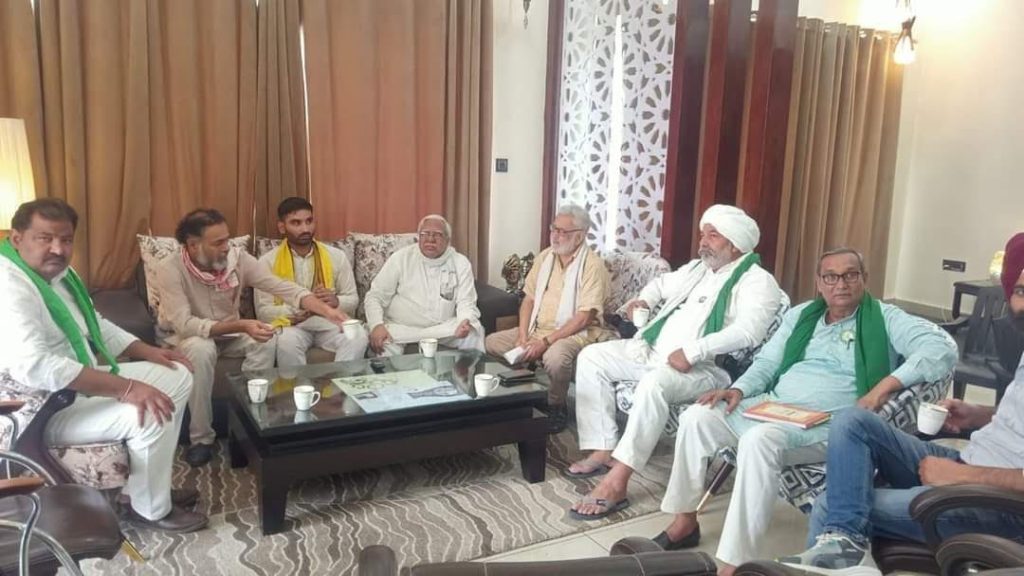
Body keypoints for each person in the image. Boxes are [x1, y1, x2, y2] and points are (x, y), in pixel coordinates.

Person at [648, 248, 958, 576]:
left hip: (829, 423)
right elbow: (768, 363)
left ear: (864, 279)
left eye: (850, 275)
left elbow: (941, 350)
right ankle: (684, 521)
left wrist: (882, 388)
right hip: (773, 406)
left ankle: (734, 562)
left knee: (759, 440)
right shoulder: (801, 316)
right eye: (831, 277)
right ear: (819, 283)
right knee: (697, 417)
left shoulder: (886, 318)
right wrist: (739, 389)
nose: (841, 284)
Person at [780, 233, 1024, 576]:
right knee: (852, 421)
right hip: (973, 462)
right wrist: (980, 415)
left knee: (831, 505)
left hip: (1001, 506)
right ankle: (845, 547)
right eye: (1021, 291)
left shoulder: (885, 317)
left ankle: (843, 548)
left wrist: (961, 477)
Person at [0, 199, 207, 532]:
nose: (58, 249)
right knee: (152, 411)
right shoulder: (9, 285)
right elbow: (35, 366)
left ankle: (139, 491)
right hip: (38, 412)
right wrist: (127, 389)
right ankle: (149, 509)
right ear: (16, 238)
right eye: (45, 238)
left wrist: (148, 351)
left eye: (66, 239)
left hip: (74, 388)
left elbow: (94, 323)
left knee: (176, 374)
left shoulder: (60, 274)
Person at [569, 205, 782, 507]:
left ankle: (618, 480)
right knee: (592, 356)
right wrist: (643, 300)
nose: (703, 242)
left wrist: (694, 351)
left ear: (735, 244)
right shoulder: (697, 269)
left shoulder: (757, 281)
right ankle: (602, 448)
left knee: (654, 384)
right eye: (702, 234)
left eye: (713, 235)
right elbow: (659, 285)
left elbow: (750, 332)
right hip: (653, 352)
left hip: (705, 369)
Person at [157, 208, 350, 467]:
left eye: (227, 239)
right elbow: (185, 324)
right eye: (218, 242)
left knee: (267, 338)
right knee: (202, 349)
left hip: (231, 333)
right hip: (188, 336)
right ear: (193, 245)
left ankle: (249, 422)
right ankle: (201, 439)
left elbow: (283, 287)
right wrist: (243, 324)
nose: (227, 247)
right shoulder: (169, 269)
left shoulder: (237, 259)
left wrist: (328, 311)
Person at [486, 204, 614, 434]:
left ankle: (556, 405)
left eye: (562, 232)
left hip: (574, 333)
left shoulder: (593, 266)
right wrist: (523, 335)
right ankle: (524, 393)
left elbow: (584, 317)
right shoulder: (545, 257)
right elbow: (528, 299)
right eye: (554, 229)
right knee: (492, 342)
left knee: (555, 358)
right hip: (537, 329)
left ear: (580, 236)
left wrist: (545, 342)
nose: (555, 235)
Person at [256, 197, 367, 366]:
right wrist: (296, 310)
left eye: (309, 221)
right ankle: (297, 384)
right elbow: (263, 311)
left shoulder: (336, 256)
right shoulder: (267, 262)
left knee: (358, 336)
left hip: (329, 324)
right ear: (282, 227)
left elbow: (353, 299)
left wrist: (336, 301)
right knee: (286, 343)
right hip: (293, 326)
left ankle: (339, 382)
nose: (305, 229)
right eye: (296, 223)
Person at [365, 214, 484, 357]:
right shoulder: (401, 258)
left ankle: (470, 372)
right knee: (383, 343)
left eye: (437, 235)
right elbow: (375, 296)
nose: (430, 239)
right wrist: (377, 325)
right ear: (418, 237)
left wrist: (464, 321)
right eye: (425, 234)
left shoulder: (460, 262)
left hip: (443, 328)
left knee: (473, 333)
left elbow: (466, 301)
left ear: (448, 240)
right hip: (401, 328)